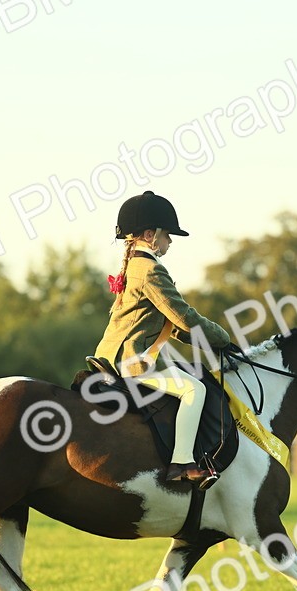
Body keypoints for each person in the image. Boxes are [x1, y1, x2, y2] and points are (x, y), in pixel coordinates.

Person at [93, 191, 234, 490]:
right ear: (150, 235)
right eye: (167, 234)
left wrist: (202, 341)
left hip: (111, 353)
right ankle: (181, 464)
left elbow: (171, 324)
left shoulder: (133, 266)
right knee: (194, 390)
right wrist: (222, 338)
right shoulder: (151, 269)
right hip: (131, 360)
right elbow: (184, 316)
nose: (170, 241)